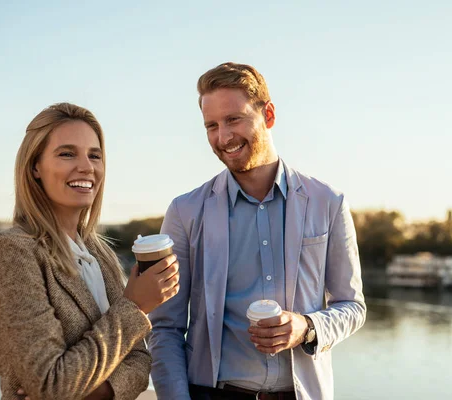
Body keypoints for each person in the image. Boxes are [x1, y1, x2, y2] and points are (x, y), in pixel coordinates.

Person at [149, 62, 366, 400]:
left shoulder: (329, 202)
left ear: (269, 115)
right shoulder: (185, 211)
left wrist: (306, 328)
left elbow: (352, 307)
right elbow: (165, 327)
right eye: (212, 125)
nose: (223, 137)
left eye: (234, 119)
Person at [0, 103, 180, 400]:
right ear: (35, 166)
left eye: (94, 155)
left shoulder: (100, 254)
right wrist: (135, 306)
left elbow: (139, 362)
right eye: (67, 153)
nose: (87, 167)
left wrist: (86, 392)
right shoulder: (10, 252)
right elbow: (52, 385)